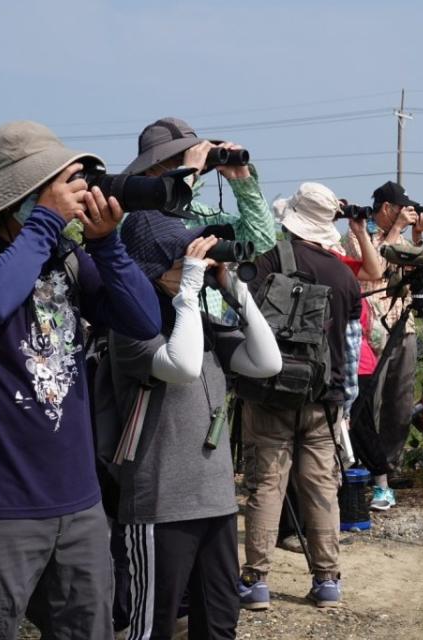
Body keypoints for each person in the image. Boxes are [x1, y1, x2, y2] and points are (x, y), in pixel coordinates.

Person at [0, 121, 161, 639]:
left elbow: (144, 321)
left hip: (78, 506)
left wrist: (108, 245)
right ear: (17, 193)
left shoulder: (67, 258)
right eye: (54, 183)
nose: (70, 193)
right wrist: (46, 222)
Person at [112, 210, 281, 639]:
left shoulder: (199, 324)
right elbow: (183, 366)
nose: (198, 266)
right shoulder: (130, 329)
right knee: (153, 628)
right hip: (160, 505)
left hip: (217, 502)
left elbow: (267, 362)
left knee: (220, 625)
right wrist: (188, 290)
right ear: (151, 266)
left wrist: (234, 289)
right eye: (182, 258)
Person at [237, 182, 362, 610]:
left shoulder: (269, 261)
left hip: (271, 392)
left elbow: (244, 319)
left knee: (266, 485)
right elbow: (349, 344)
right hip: (321, 400)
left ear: (291, 221)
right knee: (321, 487)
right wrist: (341, 403)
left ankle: (256, 582)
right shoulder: (344, 276)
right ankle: (327, 581)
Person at [124, 117, 277, 316]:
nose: (191, 165)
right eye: (177, 159)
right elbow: (161, 216)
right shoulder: (139, 219)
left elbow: (261, 240)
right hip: (160, 333)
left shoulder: (201, 215)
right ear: (151, 170)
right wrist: (188, 173)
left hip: (207, 332)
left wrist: (243, 182)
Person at [345, 181, 423, 510]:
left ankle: (390, 467)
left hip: (404, 324)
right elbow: (375, 272)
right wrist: (396, 231)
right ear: (386, 209)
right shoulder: (358, 235)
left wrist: (418, 236)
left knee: (400, 400)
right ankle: (368, 467)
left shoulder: (399, 233)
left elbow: (414, 270)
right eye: (401, 210)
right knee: (372, 403)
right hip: (374, 330)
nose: (406, 215)